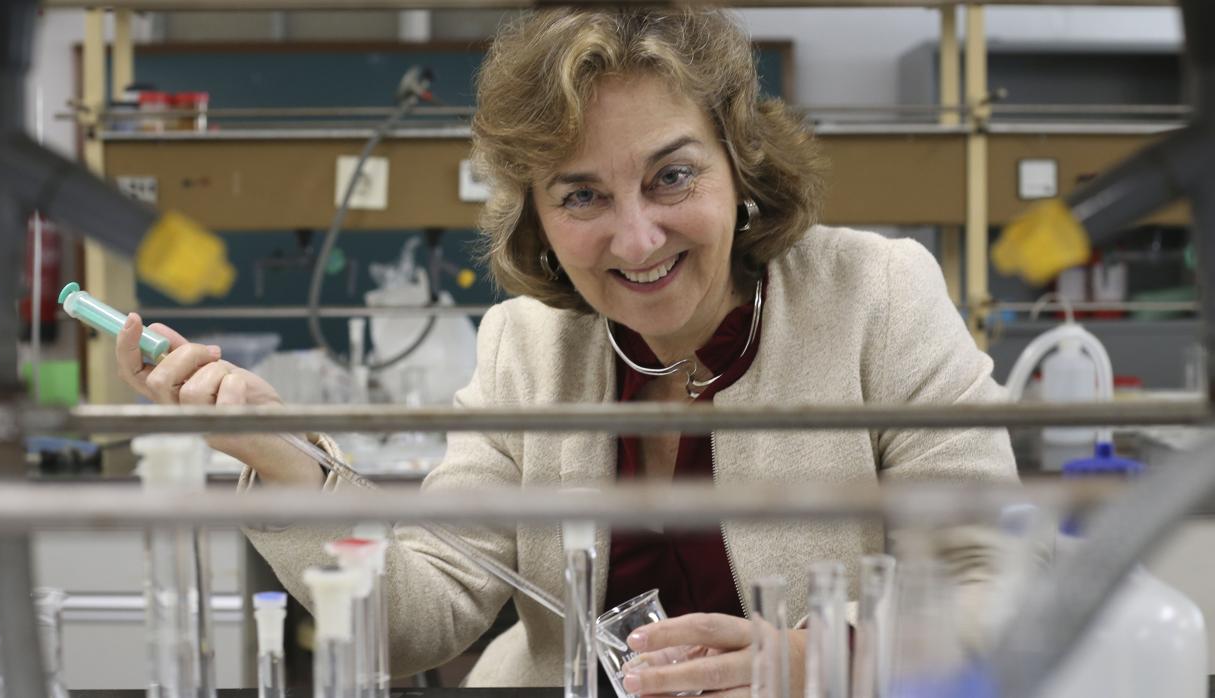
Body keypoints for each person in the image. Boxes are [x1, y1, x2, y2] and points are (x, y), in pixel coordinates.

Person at [113, 7, 1017, 694]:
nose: (635, 239)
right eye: (581, 197)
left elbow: (1002, 582)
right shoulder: (524, 345)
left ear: (738, 165)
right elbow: (410, 619)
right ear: (538, 220)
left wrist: (818, 654)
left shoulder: (878, 295)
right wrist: (284, 462)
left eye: (671, 176)